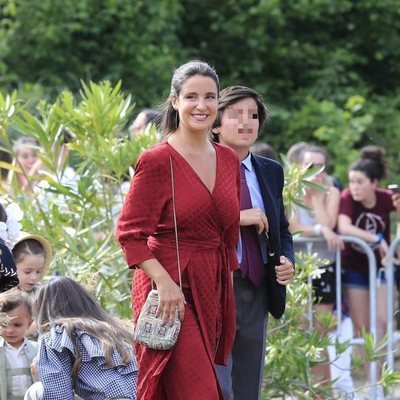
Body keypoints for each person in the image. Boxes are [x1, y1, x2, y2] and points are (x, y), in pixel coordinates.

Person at [116, 60, 240, 400]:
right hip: (168, 287)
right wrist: (164, 282)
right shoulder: (157, 159)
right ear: (175, 101)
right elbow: (129, 233)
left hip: (211, 284)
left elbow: (228, 235)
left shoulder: (229, 159)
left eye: (210, 97)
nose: (202, 106)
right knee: (198, 391)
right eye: (191, 97)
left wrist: (226, 289)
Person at [211, 85, 294, 400]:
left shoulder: (271, 171)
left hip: (258, 286)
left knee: (248, 387)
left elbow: (282, 230)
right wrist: (238, 216)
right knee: (217, 386)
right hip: (215, 285)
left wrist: (287, 261)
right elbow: (189, 225)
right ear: (216, 124)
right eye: (236, 115)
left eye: (254, 115)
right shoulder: (200, 166)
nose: (247, 122)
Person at [337, 145, 400, 385]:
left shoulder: (385, 198)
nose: (354, 186)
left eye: (360, 182)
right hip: (355, 268)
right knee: (361, 326)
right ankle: (371, 378)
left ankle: (384, 376)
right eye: (351, 181)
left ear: (374, 183)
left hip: (383, 266)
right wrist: (377, 239)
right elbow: (344, 228)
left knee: (383, 321)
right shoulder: (346, 198)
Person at [24, 276, 138, 400]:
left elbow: (58, 394)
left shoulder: (58, 334)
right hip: (145, 394)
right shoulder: (119, 328)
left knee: (36, 391)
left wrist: (43, 373)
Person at [289, 145, 344, 388]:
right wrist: (321, 231)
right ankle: (303, 389)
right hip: (299, 268)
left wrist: (318, 198)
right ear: (300, 167)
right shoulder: (291, 190)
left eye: (321, 167)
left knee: (319, 334)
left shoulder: (331, 191)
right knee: (301, 330)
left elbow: (329, 221)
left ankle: (324, 391)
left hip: (325, 267)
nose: (317, 173)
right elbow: (293, 227)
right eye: (311, 166)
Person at [0, 289, 38, 400]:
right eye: (4, 324)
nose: (10, 331)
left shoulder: (38, 350)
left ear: (29, 324)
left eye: (17, 325)